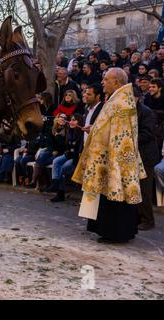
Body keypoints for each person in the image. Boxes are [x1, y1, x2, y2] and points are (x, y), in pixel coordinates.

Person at [72, 68, 146, 243]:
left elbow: (122, 137)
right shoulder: (116, 99)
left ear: (117, 82)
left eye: (106, 79)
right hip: (106, 157)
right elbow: (109, 127)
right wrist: (95, 129)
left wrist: (113, 163)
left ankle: (116, 233)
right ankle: (107, 231)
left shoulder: (122, 103)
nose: (102, 82)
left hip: (115, 160)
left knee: (116, 197)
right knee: (107, 198)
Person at [133, 86, 160, 230]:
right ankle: (137, 217)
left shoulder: (146, 112)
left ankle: (148, 220)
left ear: (137, 98)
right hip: (135, 155)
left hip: (146, 156)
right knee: (135, 188)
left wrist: (129, 140)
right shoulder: (130, 111)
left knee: (144, 189)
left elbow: (148, 134)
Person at [48, 113, 84, 202]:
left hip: (76, 158)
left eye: (74, 120)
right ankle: (55, 183)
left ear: (79, 122)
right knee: (56, 161)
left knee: (63, 168)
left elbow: (79, 150)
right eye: (71, 120)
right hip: (68, 155)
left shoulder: (82, 134)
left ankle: (60, 193)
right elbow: (65, 146)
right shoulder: (69, 131)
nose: (71, 122)